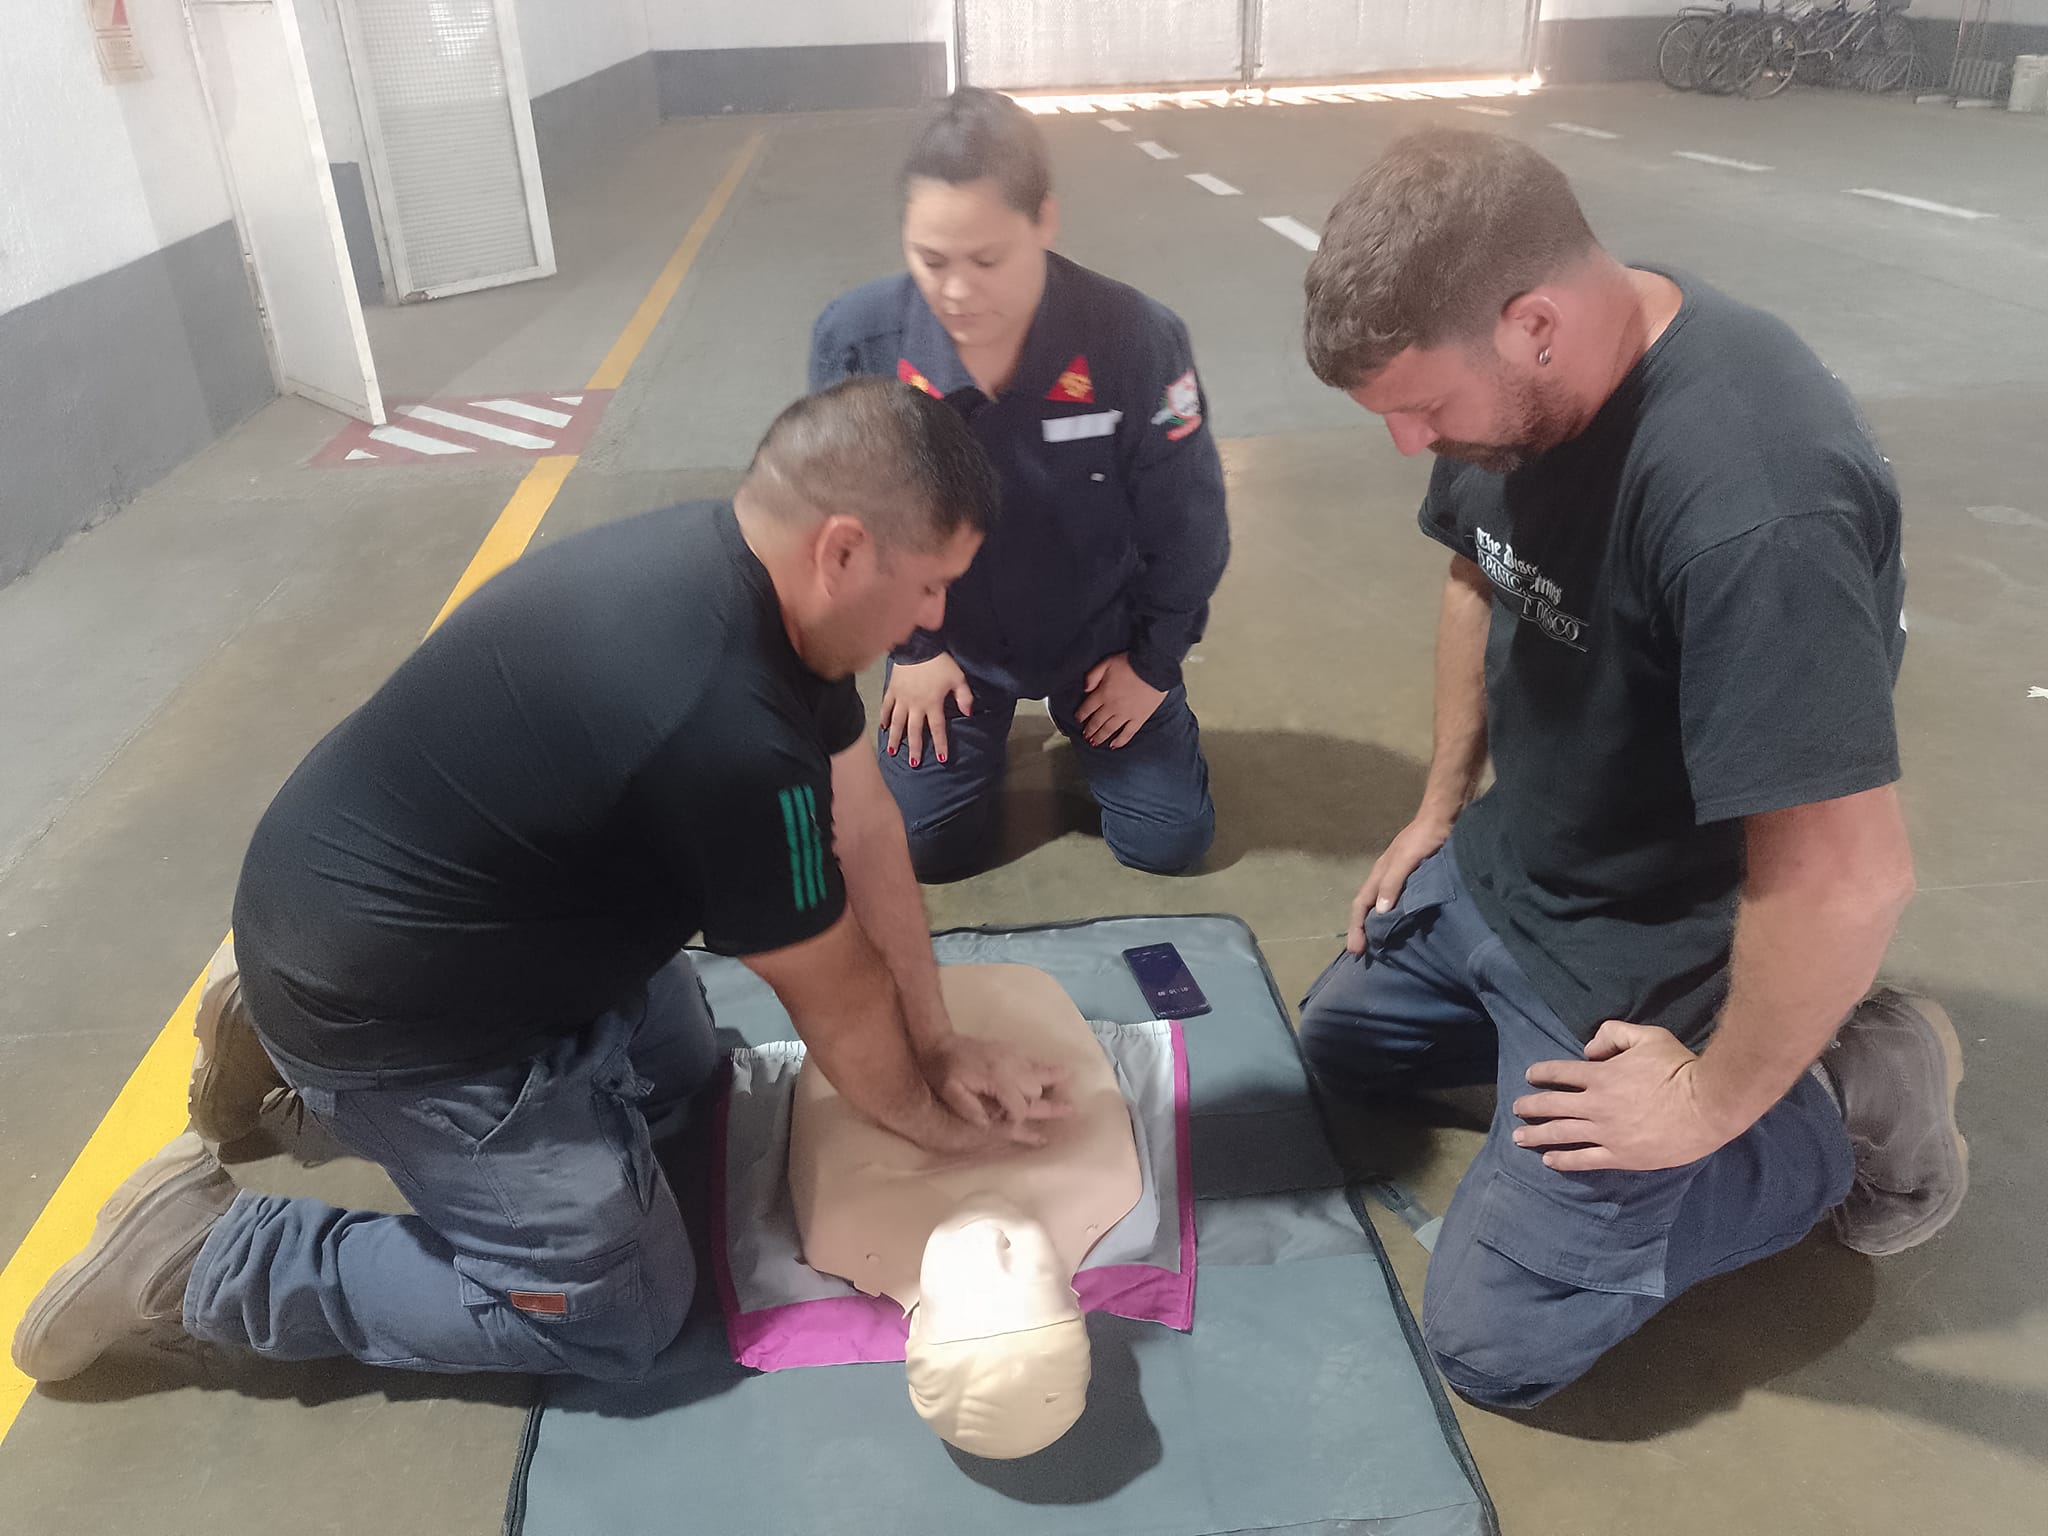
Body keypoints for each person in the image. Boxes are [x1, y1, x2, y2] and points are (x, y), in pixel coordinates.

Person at [13, 379, 1072, 1386]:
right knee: (624, 1309)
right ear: (844, 549)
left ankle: (276, 1033)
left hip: (374, 906)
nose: (932, 615)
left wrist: (936, 1043)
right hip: (395, 1011)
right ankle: (201, 1256)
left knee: (685, 1087)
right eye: (929, 584)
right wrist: (939, 1131)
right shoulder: (728, 724)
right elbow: (836, 993)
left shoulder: (744, 573)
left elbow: (863, 821)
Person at [1292, 129, 1966, 1409]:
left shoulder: (1755, 503)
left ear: (1534, 323)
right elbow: (1470, 576)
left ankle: (1836, 1088)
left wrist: (1706, 1105)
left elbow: (1846, 878)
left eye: (1422, 409)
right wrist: (1437, 810)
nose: (1407, 444)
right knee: (1335, 1048)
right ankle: (1547, 1080)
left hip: (1662, 941)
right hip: (1518, 864)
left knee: (1493, 1349)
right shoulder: (1525, 370)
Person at [810, 88, 1230, 880]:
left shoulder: (1136, 339)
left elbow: (1190, 524)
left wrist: (1154, 664)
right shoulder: (857, 343)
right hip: (956, 645)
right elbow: (852, 520)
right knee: (923, 850)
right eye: (931, 261)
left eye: (987, 259)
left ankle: (1111, 726)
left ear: (1044, 222)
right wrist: (913, 649)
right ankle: (976, 734)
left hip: (1104, 636)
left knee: (1170, 843)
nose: (958, 293)